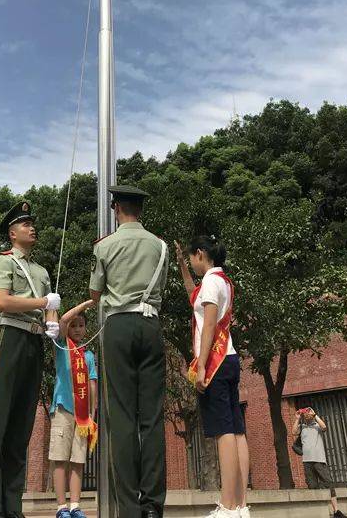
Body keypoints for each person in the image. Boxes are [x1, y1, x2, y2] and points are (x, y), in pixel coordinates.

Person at [0, 201, 62, 518]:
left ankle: (13, 507)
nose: (32, 227)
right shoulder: (3, 262)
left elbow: (51, 306)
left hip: (33, 341)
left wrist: (52, 321)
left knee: (21, 428)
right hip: (8, 338)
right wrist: (44, 302)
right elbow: (3, 301)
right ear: (13, 233)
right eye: (25, 224)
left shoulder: (41, 271)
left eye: (32, 223)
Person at [89, 185, 169, 518]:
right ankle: (153, 506)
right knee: (151, 418)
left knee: (121, 417)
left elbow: (95, 294)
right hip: (151, 325)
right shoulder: (160, 246)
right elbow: (161, 288)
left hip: (119, 327)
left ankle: (130, 509)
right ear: (140, 210)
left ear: (116, 208)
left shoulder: (105, 247)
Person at [175, 236, 250, 518]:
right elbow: (193, 297)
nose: (192, 264)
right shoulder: (223, 281)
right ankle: (241, 506)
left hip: (215, 364)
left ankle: (228, 506)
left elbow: (207, 327)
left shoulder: (210, 282)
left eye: (191, 258)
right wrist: (181, 267)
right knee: (237, 431)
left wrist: (202, 366)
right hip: (229, 359)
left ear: (201, 254)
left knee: (224, 432)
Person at [49, 299, 98, 518]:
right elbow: (62, 320)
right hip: (62, 409)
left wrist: (92, 415)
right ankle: (61, 507)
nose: (77, 329)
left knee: (78, 461)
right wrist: (85, 305)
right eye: (74, 325)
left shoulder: (89, 356)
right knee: (60, 459)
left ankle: (75, 506)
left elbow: (92, 385)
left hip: (82, 417)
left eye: (81, 325)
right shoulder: (61, 346)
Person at [293, 407, 347, 518]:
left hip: (319, 460)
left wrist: (315, 415)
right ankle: (318, 512)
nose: (307, 416)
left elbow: (324, 427)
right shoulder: (302, 427)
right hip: (307, 461)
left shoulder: (317, 426)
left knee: (328, 483)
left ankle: (336, 511)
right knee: (312, 485)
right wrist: (298, 418)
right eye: (306, 414)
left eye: (309, 414)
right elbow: (294, 432)